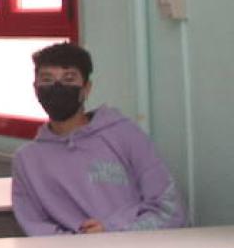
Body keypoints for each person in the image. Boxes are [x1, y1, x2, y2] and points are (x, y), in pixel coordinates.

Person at [12, 42, 185, 236]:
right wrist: (79, 243)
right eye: (47, 79)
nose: (57, 87)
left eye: (69, 79)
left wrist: (114, 231)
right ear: (36, 89)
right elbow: (34, 225)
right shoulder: (26, 160)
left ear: (86, 88)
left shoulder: (125, 135)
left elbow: (170, 211)